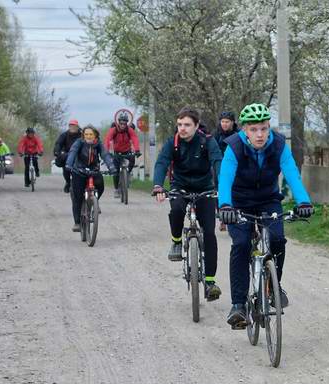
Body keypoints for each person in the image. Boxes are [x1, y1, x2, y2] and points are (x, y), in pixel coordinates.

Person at [218, 103, 314, 328]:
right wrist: (225, 206)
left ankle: (272, 286)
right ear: (244, 130)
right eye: (254, 129)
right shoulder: (234, 147)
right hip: (238, 203)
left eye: (263, 128)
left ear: (269, 127)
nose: (259, 134)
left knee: (278, 239)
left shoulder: (279, 145)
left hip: (268, 200)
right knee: (241, 244)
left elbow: (292, 173)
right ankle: (238, 305)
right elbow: (225, 178)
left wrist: (303, 201)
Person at [152, 107, 224, 301]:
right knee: (176, 208)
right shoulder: (172, 143)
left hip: (205, 188)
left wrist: (224, 185)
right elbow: (162, 163)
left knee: (209, 232)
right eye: (179, 124)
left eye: (187, 125)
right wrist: (158, 185)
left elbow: (218, 161)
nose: (182, 128)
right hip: (180, 185)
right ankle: (176, 241)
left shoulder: (208, 141)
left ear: (196, 126)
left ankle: (210, 282)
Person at [65, 125, 116, 232]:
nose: (88, 136)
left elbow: (105, 155)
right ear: (83, 135)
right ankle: (77, 223)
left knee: (100, 187)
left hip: (94, 170)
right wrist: (69, 164)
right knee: (77, 197)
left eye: (91, 134)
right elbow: (73, 152)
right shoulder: (79, 142)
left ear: (95, 135)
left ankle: (94, 202)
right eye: (86, 134)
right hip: (79, 171)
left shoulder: (99, 144)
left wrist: (111, 167)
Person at [104, 113, 140, 195]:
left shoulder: (129, 130)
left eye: (125, 123)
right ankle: (116, 189)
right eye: (121, 123)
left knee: (132, 159)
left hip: (127, 151)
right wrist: (106, 151)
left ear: (127, 123)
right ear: (118, 122)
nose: (123, 125)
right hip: (117, 152)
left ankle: (128, 174)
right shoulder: (114, 130)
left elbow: (135, 138)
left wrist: (137, 150)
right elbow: (107, 139)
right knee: (115, 171)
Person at [53, 119, 82, 193]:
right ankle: (68, 182)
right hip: (67, 154)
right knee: (65, 169)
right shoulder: (64, 135)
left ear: (77, 126)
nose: (72, 127)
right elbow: (58, 144)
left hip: (79, 154)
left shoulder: (82, 135)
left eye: (74, 125)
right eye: (70, 125)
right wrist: (57, 152)